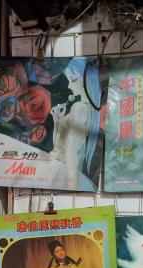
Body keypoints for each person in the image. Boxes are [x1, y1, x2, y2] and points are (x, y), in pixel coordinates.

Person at [49, 58, 100, 191]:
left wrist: (73, 187)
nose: (69, 86)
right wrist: (57, 121)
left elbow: (72, 150)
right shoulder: (84, 109)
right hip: (58, 167)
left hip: (60, 169)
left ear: (86, 81)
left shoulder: (80, 108)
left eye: (73, 80)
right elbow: (60, 145)